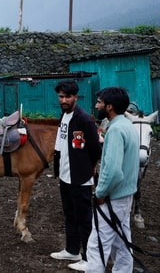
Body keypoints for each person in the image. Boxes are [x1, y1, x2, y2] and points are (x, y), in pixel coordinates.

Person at [50, 80, 102, 272]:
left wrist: (90, 167)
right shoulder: (64, 114)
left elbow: (96, 148)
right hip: (65, 174)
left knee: (84, 217)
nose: (63, 100)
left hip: (80, 176)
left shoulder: (84, 119)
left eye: (67, 97)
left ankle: (90, 258)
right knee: (69, 214)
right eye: (60, 96)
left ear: (75, 97)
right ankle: (72, 250)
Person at [85, 87, 140, 272]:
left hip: (112, 198)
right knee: (122, 243)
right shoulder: (127, 126)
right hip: (125, 195)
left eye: (99, 102)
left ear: (109, 107)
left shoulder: (116, 130)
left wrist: (100, 193)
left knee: (97, 245)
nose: (96, 105)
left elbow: (113, 170)